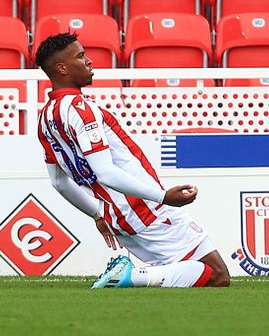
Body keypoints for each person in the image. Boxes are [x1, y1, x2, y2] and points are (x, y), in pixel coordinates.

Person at [35, 32, 231, 289]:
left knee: (178, 276)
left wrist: (97, 213)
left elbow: (59, 183)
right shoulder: (82, 110)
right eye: (80, 56)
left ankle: (133, 281)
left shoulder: (45, 118)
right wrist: (162, 197)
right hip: (144, 209)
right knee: (217, 275)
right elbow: (104, 171)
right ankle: (130, 276)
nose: (89, 61)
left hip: (116, 216)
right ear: (61, 68)